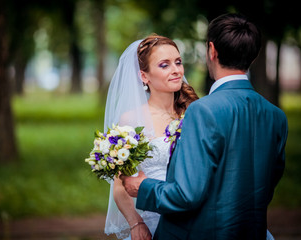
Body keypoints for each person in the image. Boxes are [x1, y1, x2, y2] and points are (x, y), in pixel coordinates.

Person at [120, 13, 288, 240]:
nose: (176, 70)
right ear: (254, 55)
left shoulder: (201, 110)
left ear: (212, 50)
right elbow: (267, 182)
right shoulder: (276, 116)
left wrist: (143, 188)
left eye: (178, 62)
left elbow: (187, 194)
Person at [103, 34, 199, 239]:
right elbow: (120, 186)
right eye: (164, 65)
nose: (176, 70)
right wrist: (136, 223)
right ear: (144, 76)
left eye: (178, 62)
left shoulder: (194, 113)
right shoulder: (131, 120)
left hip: (195, 219)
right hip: (153, 222)